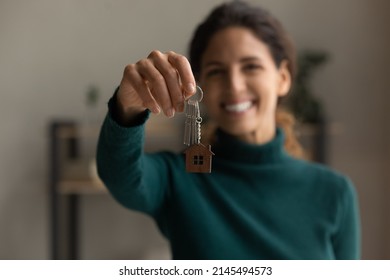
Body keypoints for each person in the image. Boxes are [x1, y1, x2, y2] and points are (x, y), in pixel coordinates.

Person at [96, 0, 360, 259]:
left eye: (251, 67)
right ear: (199, 87)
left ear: (283, 78)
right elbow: (120, 176)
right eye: (216, 71)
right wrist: (127, 108)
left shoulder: (334, 192)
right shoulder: (178, 178)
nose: (234, 85)